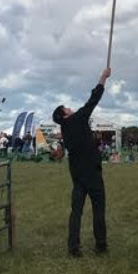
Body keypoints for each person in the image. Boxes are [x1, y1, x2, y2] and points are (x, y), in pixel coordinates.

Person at [52, 66, 111, 257]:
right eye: (66, 108)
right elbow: (94, 99)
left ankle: (73, 248)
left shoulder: (65, 131)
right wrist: (103, 77)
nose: (70, 108)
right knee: (98, 209)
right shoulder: (78, 118)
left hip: (77, 174)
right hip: (92, 172)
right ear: (65, 115)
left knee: (76, 211)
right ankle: (101, 245)